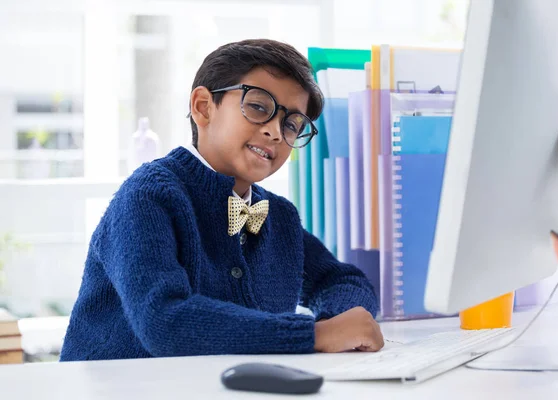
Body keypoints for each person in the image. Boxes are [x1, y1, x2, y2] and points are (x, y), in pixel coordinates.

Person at [60, 39, 383, 361]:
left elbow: (342, 280)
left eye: (292, 124)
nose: (274, 131)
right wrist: (313, 336)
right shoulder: (149, 196)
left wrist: (335, 323)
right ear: (203, 107)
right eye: (258, 107)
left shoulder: (277, 215)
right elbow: (165, 322)